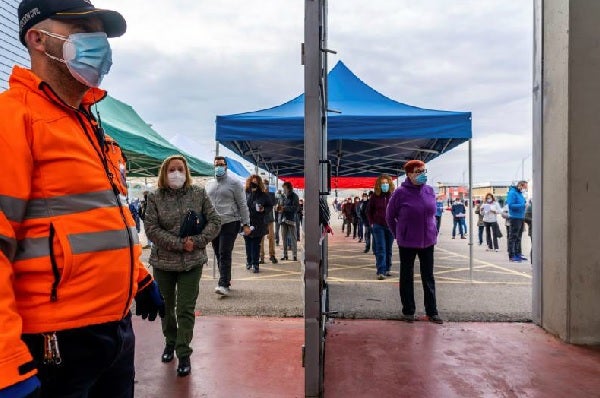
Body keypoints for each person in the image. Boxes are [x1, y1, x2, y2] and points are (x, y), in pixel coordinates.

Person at [0, 2, 166, 396]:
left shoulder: (87, 124)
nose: (98, 43)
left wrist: (138, 279)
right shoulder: (13, 119)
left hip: (113, 332)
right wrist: (6, 365)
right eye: (81, 29)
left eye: (99, 33)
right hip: (55, 343)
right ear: (37, 39)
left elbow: (97, 219)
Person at [144, 155, 220, 377]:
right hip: (163, 263)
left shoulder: (198, 193)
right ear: (164, 173)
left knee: (186, 308)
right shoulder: (155, 196)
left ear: (186, 172)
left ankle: (183, 352)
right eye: (171, 170)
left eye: (180, 169)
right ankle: (170, 341)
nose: (176, 173)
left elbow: (215, 221)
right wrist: (179, 244)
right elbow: (151, 228)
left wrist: (195, 242)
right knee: (166, 308)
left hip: (192, 263)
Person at [386, 160, 443, 324]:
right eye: (418, 171)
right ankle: (408, 310)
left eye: (424, 171)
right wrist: (398, 233)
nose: (422, 174)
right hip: (407, 242)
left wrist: (434, 230)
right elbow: (390, 217)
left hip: (428, 241)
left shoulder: (429, 191)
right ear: (409, 174)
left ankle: (432, 311)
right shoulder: (400, 193)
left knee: (428, 276)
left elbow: (434, 213)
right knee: (406, 276)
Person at [206, 157, 251, 296]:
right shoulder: (209, 184)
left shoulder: (234, 183)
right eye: (216, 165)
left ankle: (223, 283)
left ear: (226, 166)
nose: (218, 167)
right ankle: (225, 279)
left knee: (224, 252)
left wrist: (246, 224)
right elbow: (206, 204)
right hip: (214, 223)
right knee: (218, 253)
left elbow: (243, 204)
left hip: (230, 222)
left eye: (221, 164)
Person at [367, 174, 395, 279]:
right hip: (378, 226)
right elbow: (369, 211)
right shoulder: (375, 196)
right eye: (382, 183)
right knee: (381, 248)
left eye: (386, 183)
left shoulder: (393, 196)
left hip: (391, 226)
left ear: (389, 184)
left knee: (389, 249)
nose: (385, 185)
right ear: (379, 185)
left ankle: (387, 268)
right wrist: (372, 223)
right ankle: (381, 271)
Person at [243, 175, 273, 273]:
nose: (253, 183)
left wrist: (264, 209)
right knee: (248, 243)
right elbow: (242, 205)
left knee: (256, 244)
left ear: (259, 183)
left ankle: (255, 264)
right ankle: (249, 261)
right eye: (252, 181)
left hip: (259, 223)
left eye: (256, 182)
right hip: (247, 222)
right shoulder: (245, 193)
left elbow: (269, 206)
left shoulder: (263, 195)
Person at [506, 181, 528, 262]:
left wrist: (525, 203)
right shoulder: (512, 193)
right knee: (513, 237)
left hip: (521, 217)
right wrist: (523, 205)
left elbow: (521, 202)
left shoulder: (519, 193)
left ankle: (518, 253)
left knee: (519, 237)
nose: (525, 189)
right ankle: (512, 256)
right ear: (520, 185)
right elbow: (511, 205)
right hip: (515, 217)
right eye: (525, 187)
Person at [279, 181, 300, 261]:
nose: (283, 189)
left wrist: (284, 208)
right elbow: (280, 205)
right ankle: (285, 255)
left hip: (291, 219)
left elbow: (296, 208)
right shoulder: (282, 196)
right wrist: (278, 208)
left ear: (288, 188)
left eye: (284, 188)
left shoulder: (294, 196)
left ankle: (294, 255)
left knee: (293, 238)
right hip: (283, 219)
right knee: (284, 238)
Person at [259, 179, 278, 264]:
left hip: (270, 219)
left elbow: (272, 205)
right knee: (261, 239)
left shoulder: (271, 194)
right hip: (261, 219)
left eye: (266, 184)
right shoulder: (259, 195)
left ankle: (272, 255)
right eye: (264, 184)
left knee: (271, 237)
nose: (265, 185)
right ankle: (261, 256)